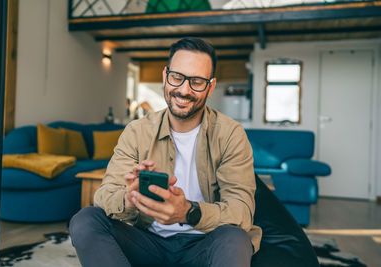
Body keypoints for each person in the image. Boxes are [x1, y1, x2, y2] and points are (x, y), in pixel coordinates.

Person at [69, 37, 262, 267]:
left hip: (204, 245)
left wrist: (188, 213)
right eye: (177, 77)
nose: (183, 90)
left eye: (197, 81)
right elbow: (104, 195)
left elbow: (241, 211)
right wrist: (131, 199)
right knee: (85, 220)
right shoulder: (137, 132)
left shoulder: (231, 134)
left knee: (236, 238)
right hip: (147, 244)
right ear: (165, 76)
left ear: (210, 87)